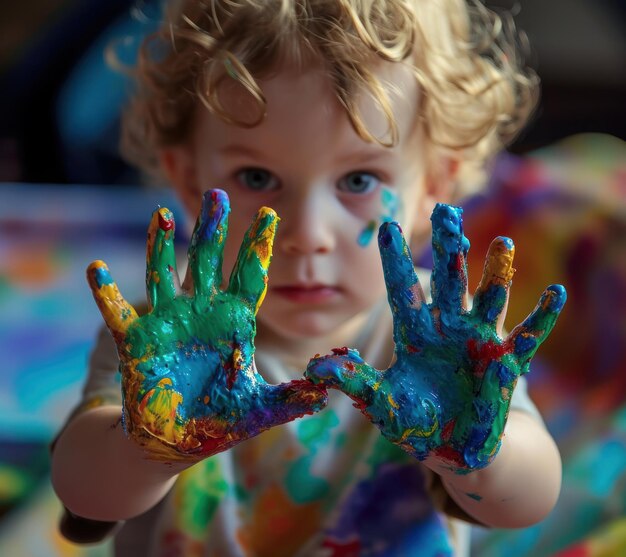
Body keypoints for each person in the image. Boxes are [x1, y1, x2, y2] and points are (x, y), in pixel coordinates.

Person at [50, 1, 566, 555]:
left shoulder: (446, 343)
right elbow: (86, 495)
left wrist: (482, 456)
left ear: (436, 182)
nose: (306, 231)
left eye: (359, 179)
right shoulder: (159, 348)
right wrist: (147, 449)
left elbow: (528, 502)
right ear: (186, 175)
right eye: (257, 176)